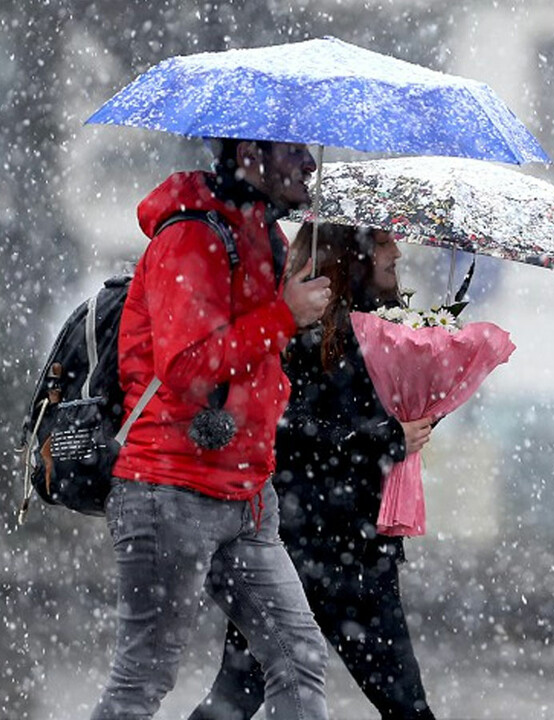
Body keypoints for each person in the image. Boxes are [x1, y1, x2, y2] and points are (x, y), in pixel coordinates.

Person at [92, 138, 334, 719]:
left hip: (247, 495)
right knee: (143, 679)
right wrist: (284, 316)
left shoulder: (265, 237)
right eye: (292, 150)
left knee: (299, 660)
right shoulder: (192, 237)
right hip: (168, 489)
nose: (310, 162)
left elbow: (258, 357)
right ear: (250, 153)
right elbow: (186, 366)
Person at [189, 222, 438, 720]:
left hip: (348, 549)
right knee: (237, 697)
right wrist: (388, 437)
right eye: (385, 242)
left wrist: (426, 403)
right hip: (307, 551)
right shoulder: (298, 334)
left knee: (236, 699)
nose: (397, 253)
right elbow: (288, 433)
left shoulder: (383, 331)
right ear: (354, 254)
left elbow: (364, 427)